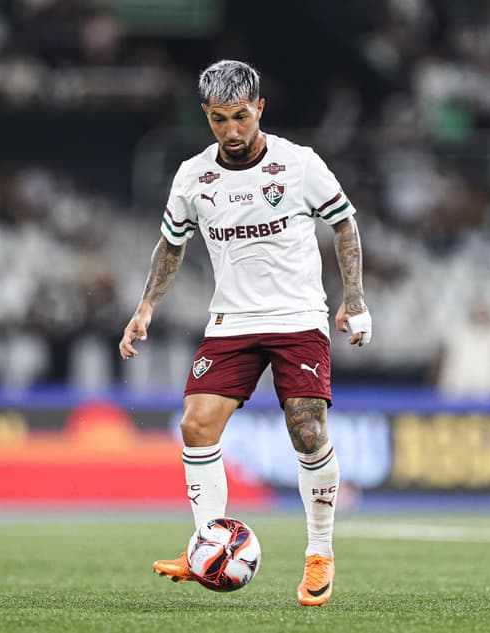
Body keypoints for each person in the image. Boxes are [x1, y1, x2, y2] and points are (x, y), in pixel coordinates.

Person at [118, 59, 372, 607]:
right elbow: (172, 243)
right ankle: (208, 544)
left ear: (259, 107)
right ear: (205, 117)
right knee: (195, 423)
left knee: (306, 428)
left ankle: (320, 551)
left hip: (297, 317)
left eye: (239, 116)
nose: (231, 131)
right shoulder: (192, 176)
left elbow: (345, 222)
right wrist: (145, 307)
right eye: (217, 120)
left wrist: (353, 298)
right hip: (231, 321)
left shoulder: (298, 164)